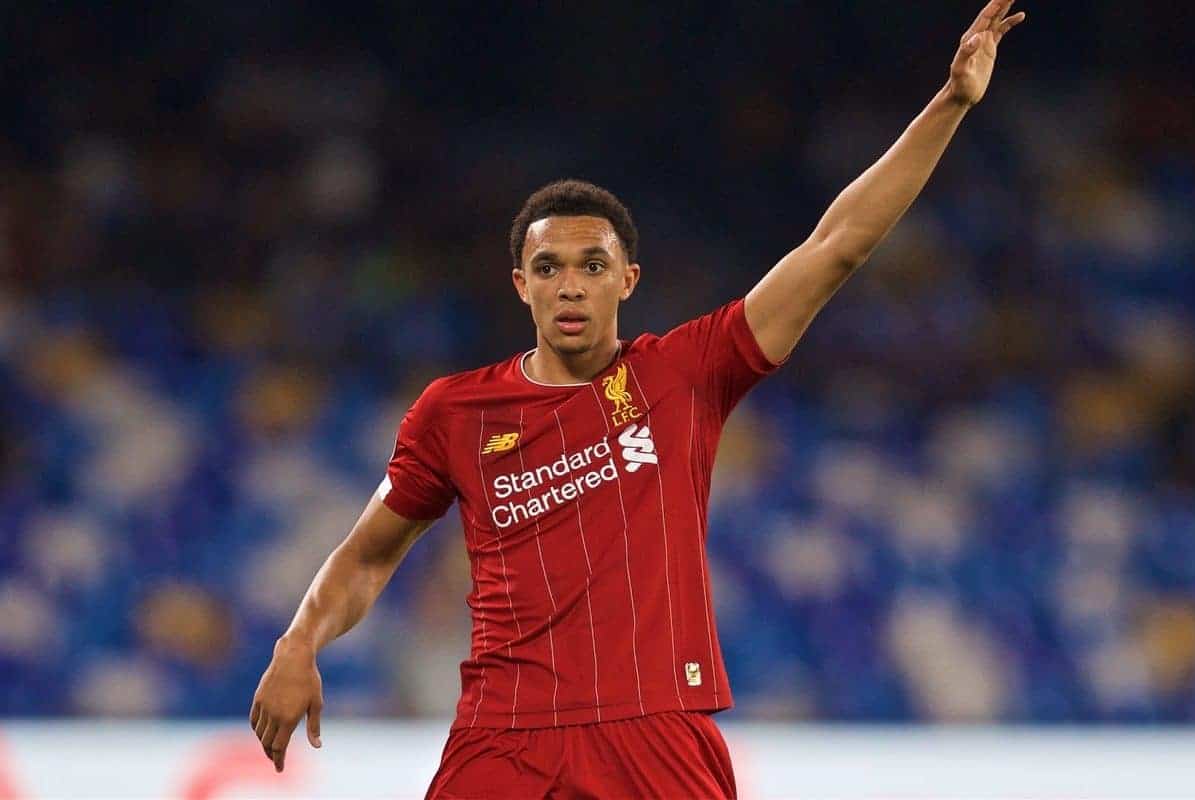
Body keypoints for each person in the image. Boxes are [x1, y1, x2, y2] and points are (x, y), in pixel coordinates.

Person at [250, 2, 1026, 796]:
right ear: (522, 286)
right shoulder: (455, 411)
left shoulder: (684, 373)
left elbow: (835, 247)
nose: (570, 285)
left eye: (593, 264)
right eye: (548, 267)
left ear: (629, 280)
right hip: (504, 734)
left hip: (654, 728)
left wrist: (951, 104)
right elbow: (369, 553)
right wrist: (296, 644)